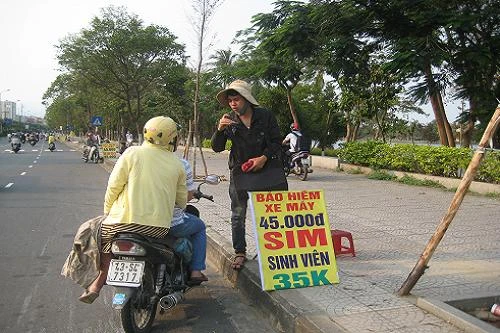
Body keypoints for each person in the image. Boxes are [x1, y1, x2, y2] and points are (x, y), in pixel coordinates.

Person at [78, 116, 188, 304]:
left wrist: (108, 212)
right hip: (156, 230)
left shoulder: (131, 153)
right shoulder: (177, 163)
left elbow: (114, 186)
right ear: (172, 137)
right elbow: (182, 202)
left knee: (103, 237)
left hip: (119, 224)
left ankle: (98, 281)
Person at [211, 79, 288, 270]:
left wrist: (263, 158)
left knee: (276, 211)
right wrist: (220, 130)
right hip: (241, 172)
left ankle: (277, 250)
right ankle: (240, 252)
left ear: (246, 99)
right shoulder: (228, 120)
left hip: (268, 169)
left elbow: (277, 142)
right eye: (230, 101)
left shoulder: (265, 116)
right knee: (238, 214)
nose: (233, 104)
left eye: (236, 99)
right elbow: (217, 147)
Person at [168, 158, 208, 284]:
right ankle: (196, 271)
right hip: (169, 222)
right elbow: (185, 198)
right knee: (200, 226)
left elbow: (114, 188)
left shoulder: (131, 156)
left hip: (131, 221)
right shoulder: (180, 163)